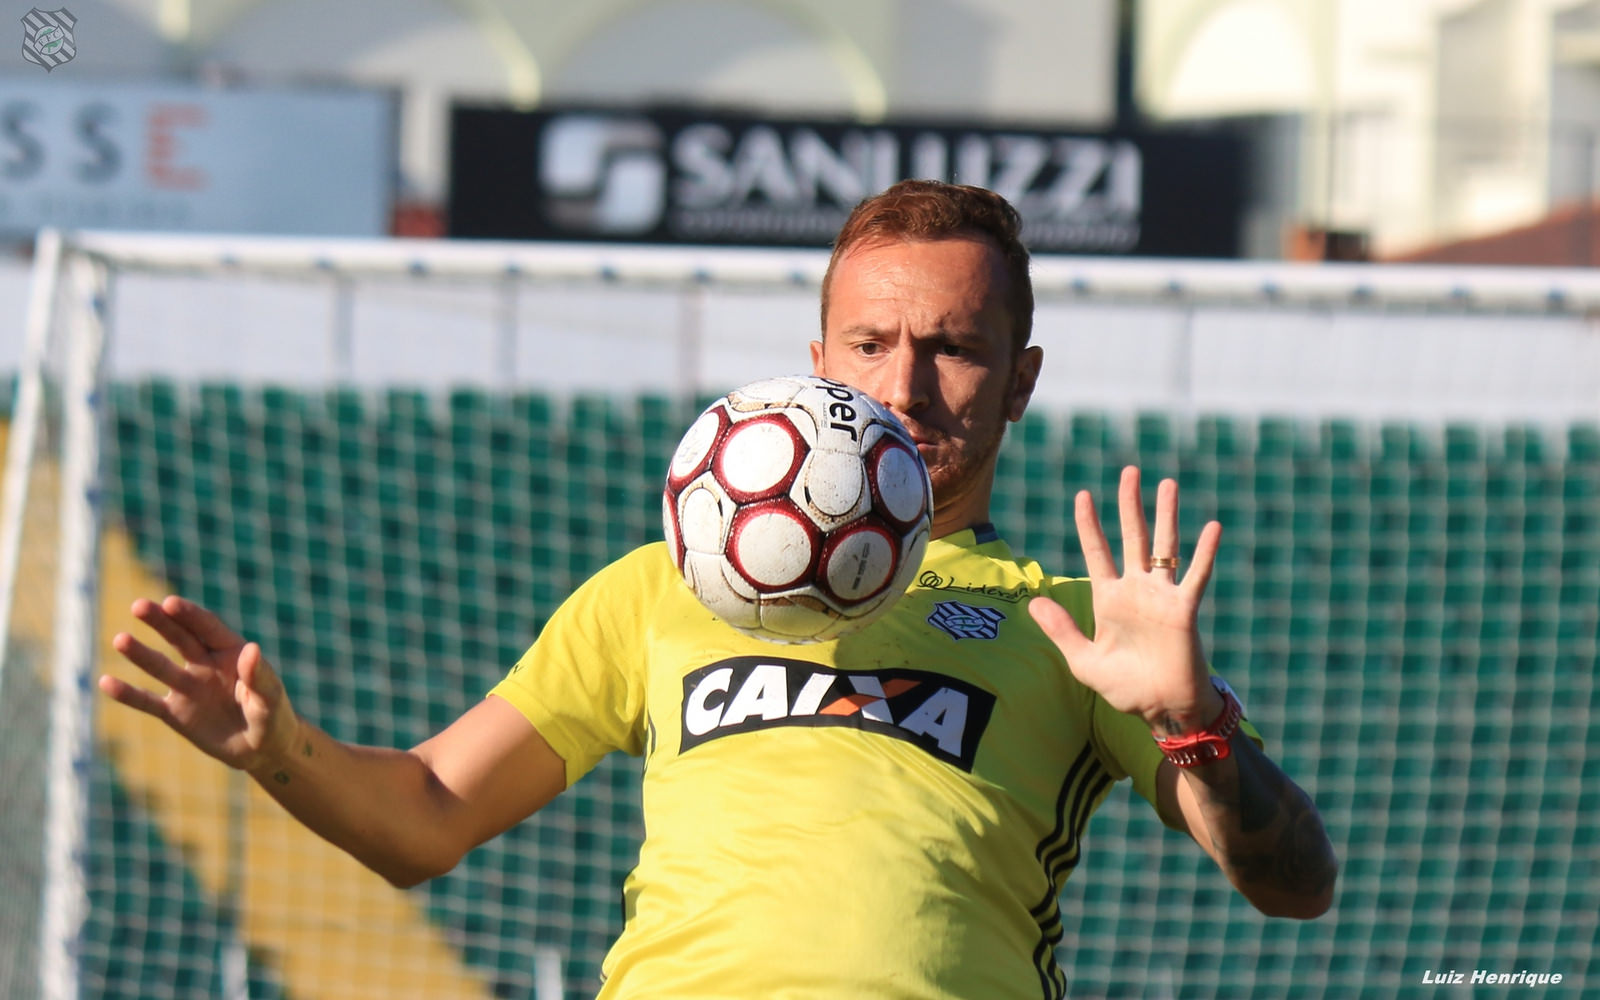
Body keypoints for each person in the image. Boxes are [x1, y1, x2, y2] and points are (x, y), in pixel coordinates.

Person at [101, 180, 1337, 998]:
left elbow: (1296, 884)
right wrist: (279, 749)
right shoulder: (660, 586)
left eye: (952, 348)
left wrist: (1194, 727)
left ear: (1018, 380)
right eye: (868, 344)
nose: (902, 384)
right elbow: (426, 813)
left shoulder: (1075, 625)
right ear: (818, 361)